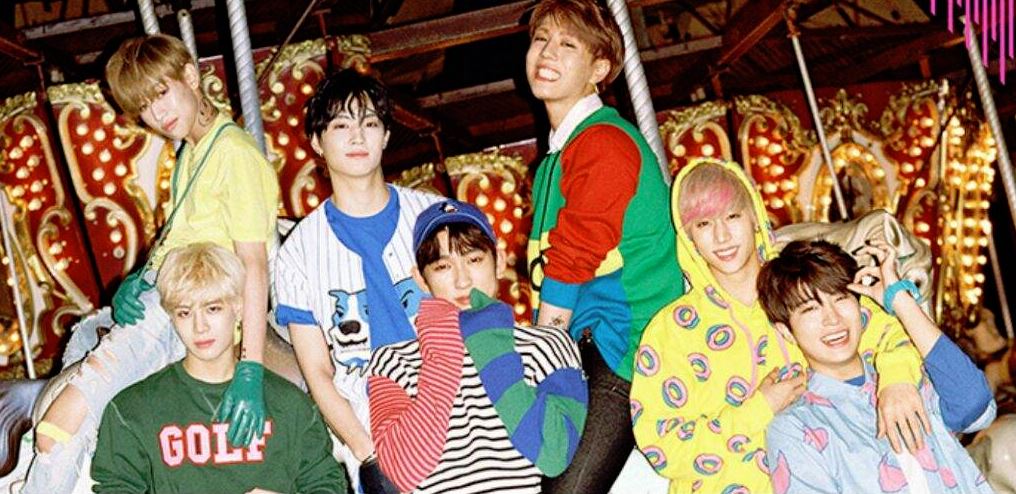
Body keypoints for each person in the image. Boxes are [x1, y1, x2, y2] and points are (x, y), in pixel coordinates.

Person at [27, 34, 279, 492]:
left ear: (190, 76)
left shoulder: (235, 155)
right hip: (161, 297)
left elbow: (254, 264)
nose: (157, 114)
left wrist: (251, 368)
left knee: (56, 430)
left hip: (183, 310)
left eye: (161, 93)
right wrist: (141, 277)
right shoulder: (193, 151)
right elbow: (181, 235)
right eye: (143, 107)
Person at [630, 159, 927, 493]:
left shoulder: (803, 287)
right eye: (703, 224)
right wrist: (759, 409)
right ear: (689, 236)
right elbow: (663, 448)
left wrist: (897, 380)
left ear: (754, 216)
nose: (722, 236)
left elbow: (895, 335)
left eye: (732, 216)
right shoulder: (673, 330)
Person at [524, 0, 685, 490]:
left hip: (625, 348)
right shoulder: (555, 161)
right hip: (591, 347)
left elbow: (570, 261)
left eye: (567, 45)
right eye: (540, 40)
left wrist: (542, 358)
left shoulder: (603, 143)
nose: (547, 53)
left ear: (599, 68)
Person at [272, 70, 440, 492]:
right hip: (370, 420)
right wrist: (367, 452)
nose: (357, 136)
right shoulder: (299, 250)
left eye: (369, 123)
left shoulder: (433, 217)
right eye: (341, 126)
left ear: (386, 135)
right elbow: (316, 370)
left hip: (454, 403)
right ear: (317, 141)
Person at [361, 199, 588, 493]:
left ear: (499, 261)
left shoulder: (548, 345)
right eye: (443, 266)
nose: (462, 280)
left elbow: (555, 454)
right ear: (420, 279)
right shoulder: (392, 362)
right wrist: (441, 351)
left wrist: (491, 343)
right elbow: (402, 470)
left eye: (474, 259)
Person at [91, 243, 345, 493]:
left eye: (212, 309)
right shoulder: (135, 410)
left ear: (239, 308)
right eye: (184, 313)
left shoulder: (290, 406)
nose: (199, 327)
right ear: (171, 317)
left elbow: (327, 485)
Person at [760, 240, 996, 494]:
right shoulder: (798, 427)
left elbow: (975, 406)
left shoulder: (908, 376)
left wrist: (899, 300)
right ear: (786, 331)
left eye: (840, 299)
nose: (833, 319)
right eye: (810, 309)